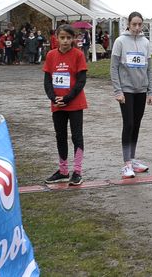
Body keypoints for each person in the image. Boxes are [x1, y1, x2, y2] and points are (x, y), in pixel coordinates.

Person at [110, 11, 152, 179]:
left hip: (141, 90)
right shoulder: (120, 41)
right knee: (128, 124)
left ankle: (133, 158)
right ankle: (126, 163)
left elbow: (149, 69)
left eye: (139, 24)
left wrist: (151, 91)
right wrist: (118, 90)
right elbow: (114, 67)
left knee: (136, 124)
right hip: (126, 91)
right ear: (128, 24)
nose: (137, 27)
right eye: (134, 24)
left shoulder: (145, 42)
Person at [43, 24, 88, 186]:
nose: (65, 41)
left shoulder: (78, 55)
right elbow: (47, 81)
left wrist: (68, 98)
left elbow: (81, 81)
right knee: (60, 136)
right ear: (56, 38)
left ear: (73, 39)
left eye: (69, 38)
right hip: (57, 104)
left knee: (77, 136)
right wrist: (54, 98)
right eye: (62, 37)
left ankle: (77, 171)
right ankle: (63, 171)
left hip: (74, 103)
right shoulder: (51, 55)